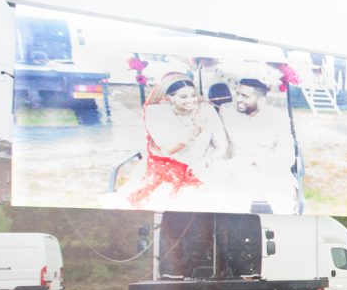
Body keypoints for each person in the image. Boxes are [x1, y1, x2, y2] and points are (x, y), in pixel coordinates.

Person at [126, 72, 228, 209]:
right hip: (165, 171)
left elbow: (222, 145)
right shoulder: (156, 112)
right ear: (169, 97)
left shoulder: (207, 110)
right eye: (183, 97)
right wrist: (191, 135)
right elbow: (168, 148)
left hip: (202, 168)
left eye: (193, 95)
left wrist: (204, 163)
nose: (191, 100)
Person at [218, 78, 300, 213]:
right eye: (237, 94)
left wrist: (260, 163)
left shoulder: (277, 118)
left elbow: (287, 156)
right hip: (237, 168)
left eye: (245, 96)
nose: (238, 99)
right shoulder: (227, 113)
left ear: (261, 100)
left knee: (282, 200)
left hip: (271, 169)